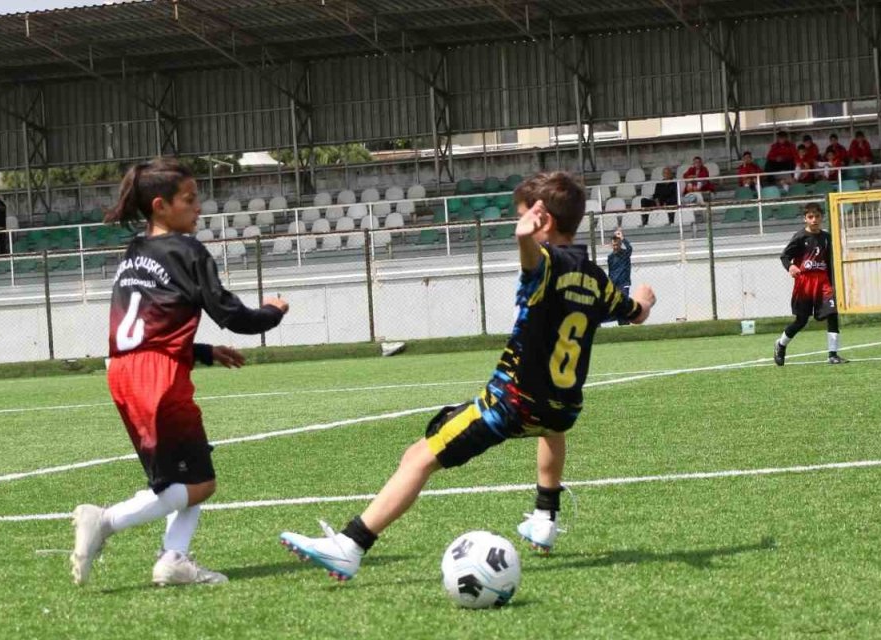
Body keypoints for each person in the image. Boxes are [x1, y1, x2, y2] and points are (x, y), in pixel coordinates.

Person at [277, 172, 657, 581]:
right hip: (562, 410)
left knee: (418, 457)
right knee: (551, 426)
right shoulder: (597, 279)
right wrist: (644, 301)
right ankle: (545, 517)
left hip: (510, 405)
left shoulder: (545, 263)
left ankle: (350, 545)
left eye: (525, 214)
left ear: (542, 219)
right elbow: (634, 313)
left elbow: (534, 261)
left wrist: (524, 238)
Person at [69, 158, 290, 588]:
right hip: (159, 378)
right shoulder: (189, 252)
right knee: (201, 483)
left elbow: (149, 329)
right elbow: (232, 314)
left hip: (123, 371)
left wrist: (205, 352)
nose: (199, 208)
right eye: (189, 199)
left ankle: (174, 559)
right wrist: (272, 313)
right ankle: (105, 521)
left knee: (181, 477)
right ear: (160, 206)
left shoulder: (135, 252)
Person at [774, 203, 846, 367]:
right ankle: (781, 344)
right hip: (805, 283)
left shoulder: (827, 238)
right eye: (810, 217)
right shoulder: (800, 237)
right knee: (801, 320)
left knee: (832, 313)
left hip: (823, 283)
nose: (814, 220)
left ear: (822, 217)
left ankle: (833, 354)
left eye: (817, 216)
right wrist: (790, 266)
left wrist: (832, 283)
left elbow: (829, 262)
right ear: (805, 219)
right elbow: (785, 256)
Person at [607, 229, 633, 326]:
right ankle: (622, 325)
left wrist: (623, 238)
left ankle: (626, 325)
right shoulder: (610, 257)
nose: (615, 247)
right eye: (613, 245)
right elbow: (610, 271)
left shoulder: (625, 254)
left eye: (617, 244)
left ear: (620, 244)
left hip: (624, 284)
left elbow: (630, 248)